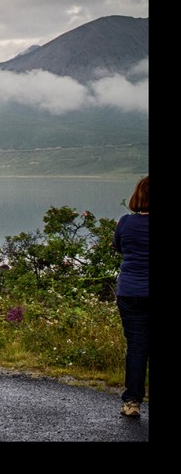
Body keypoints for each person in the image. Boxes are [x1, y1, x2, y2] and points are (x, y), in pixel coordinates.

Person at [113, 175, 149, 418]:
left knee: (136, 348)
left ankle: (132, 403)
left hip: (130, 291)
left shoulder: (125, 222)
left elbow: (119, 247)